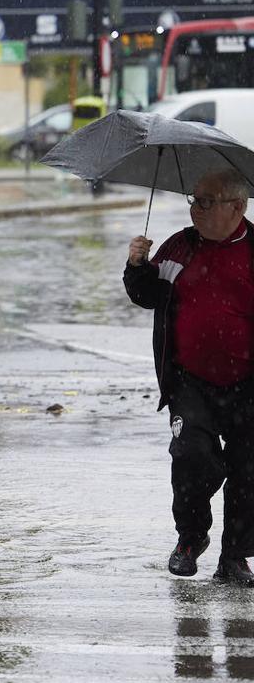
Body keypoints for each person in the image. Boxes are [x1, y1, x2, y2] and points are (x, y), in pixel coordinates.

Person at [125, 169, 254, 585]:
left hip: (247, 382)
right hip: (190, 380)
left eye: (206, 201)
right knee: (191, 455)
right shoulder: (180, 247)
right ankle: (190, 539)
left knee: (248, 469)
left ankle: (234, 556)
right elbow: (147, 295)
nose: (196, 208)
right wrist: (137, 266)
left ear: (238, 206)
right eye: (194, 199)